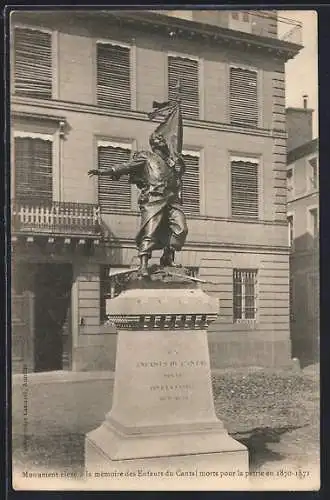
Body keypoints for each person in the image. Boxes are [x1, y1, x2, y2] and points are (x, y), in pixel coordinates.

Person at [88, 132, 188, 277]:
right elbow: (127, 166)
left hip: (171, 200)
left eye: (161, 139)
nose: (161, 141)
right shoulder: (146, 156)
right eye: (157, 139)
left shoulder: (170, 161)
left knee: (181, 228)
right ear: (153, 143)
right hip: (154, 198)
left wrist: (179, 165)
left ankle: (167, 256)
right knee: (150, 230)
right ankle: (143, 265)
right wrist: (106, 171)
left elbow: (177, 177)